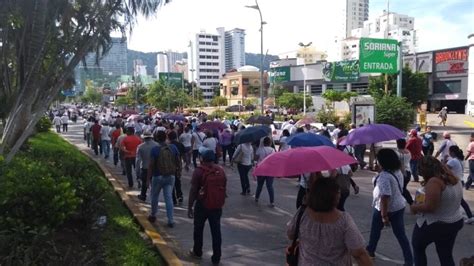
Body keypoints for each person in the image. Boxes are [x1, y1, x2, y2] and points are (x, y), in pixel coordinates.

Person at [287, 178, 373, 266]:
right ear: (333, 197)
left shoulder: (302, 213)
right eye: (338, 193)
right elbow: (358, 252)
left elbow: (291, 234)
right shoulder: (343, 220)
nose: (340, 195)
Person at [410, 156, 464, 266]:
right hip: (454, 220)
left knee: (418, 247)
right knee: (445, 254)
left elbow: (430, 207)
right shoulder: (453, 178)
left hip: (436, 223)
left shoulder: (434, 182)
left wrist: (414, 207)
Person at [366, 149, 413, 265]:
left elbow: (385, 197)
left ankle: (370, 252)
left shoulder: (385, 176)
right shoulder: (397, 170)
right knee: (401, 235)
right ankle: (409, 260)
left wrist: (384, 215)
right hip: (398, 205)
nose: (377, 163)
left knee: (375, 232)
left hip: (384, 208)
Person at [188, 150, 227, 265]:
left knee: (198, 229)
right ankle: (216, 257)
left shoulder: (199, 171)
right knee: (216, 231)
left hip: (202, 205)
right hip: (216, 205)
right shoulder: (220, 170)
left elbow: (193, 190)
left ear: (202, 159)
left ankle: (197, 251)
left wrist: (190, 207)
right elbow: (224, 186)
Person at [147, 130, 180, 227]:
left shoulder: (155, 149)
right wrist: (178, 172)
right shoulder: (173, 147)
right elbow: (178, 160)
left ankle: (153, 214)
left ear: (156, 138)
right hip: (170, 176)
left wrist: (148, 179)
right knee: (168, 197)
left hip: (158, 176)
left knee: (154, 196)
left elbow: (151, 165)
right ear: (166, 137)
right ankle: (170, 220)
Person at [446, 146, 474, 224]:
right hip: (460, 181)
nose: (449, 153)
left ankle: (469, 216)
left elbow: (443, 169)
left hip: (454, 182)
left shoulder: (452, 161)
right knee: (458, 200)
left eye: (449, 151)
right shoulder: (461, 160)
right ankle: (468, 216)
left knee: (457, 200)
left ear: (452, 152)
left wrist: (444, 159)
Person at [136, 130, 158, 202]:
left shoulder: (140, 147)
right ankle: (153, 196)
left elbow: (138, 161)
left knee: (144, 183)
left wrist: (137, 173)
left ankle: (143, 195)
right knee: (154, 184)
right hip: (155, 168)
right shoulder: (157, 145)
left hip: (145, 167)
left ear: (144, 138)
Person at [254, 137, 276, 207]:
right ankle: (272, 202)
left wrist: (255, 166)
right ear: (270, 143)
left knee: (259, 185)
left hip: (261, 169)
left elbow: (255, 159)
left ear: (263, 142)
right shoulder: (273, 150)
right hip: (270, 170)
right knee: (270, 186)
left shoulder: (260, 149)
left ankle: (257, 198)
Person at [168, 131, 185, 205]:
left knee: (171, 184)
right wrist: (184, 165)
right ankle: (180, 196)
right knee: (178, 182)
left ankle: (173, 199)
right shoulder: (180, 145)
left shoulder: (168, 146)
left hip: (170, 166)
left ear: (169, 138)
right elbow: (183, 156)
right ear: (176, 137)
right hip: (178, 165)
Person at [396, 138, 414, 205]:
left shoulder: (397, 153)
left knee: (402, 189)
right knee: (402, 188)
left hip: (401, 173)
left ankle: (411, 202)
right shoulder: (408, 152)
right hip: (408, 172)